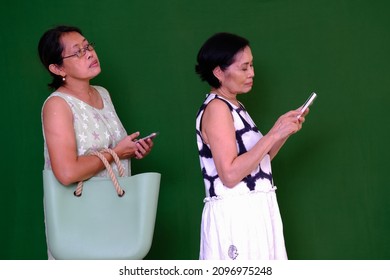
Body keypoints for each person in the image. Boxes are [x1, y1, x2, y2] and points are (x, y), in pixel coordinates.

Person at [38, 25, 154, 259]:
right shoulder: (57, 105)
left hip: (114, 212)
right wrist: (116, 153)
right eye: (78, 52)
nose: (90, 53)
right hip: (80, 219)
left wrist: (130, 150)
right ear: (57, 67)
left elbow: (112, 148)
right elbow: (67, 173)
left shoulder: (102, 93)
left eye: (88, 46)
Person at [195, 32, 309, 260]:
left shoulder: (235, 105)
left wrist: (282, 132)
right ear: (219, 72)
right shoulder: (218, 108)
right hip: (237, 215)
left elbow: (256, 163)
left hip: (254, 209)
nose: (252, 73)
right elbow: (229, 174)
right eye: (244, 67)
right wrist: (273, 133)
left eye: (252, 65)